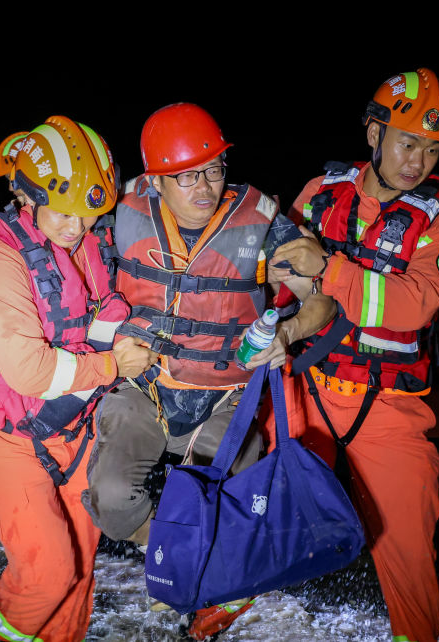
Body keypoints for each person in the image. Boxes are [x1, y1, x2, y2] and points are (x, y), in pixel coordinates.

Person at [85, 102, 335, 640]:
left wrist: (288, 331)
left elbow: (323, 301)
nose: (205, 186)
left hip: (226, 397)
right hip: (145, 389)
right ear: (155, 180)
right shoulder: (120, 211)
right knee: (109, 499)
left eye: (214, 169)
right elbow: (65, 255)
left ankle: (221, 587)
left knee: (231, 511)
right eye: (187, 176)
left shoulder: (260, 219)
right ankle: (174, 552)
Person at [0, 116, 157, 642]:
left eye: (88, 215)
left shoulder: (82, 239)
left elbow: (108, 306)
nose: (78, 228)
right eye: (65, 213)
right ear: (28, 199)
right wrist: (114, 364)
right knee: (49, 573)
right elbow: (30, 370)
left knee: (79, 574)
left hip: (76, 432)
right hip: (6, 438)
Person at [271, 68, 439, 642]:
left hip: (386, 408)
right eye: (408, 142)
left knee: (406, 543)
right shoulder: (320, 192)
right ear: (373, 133)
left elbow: (411, 305)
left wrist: (327, 269)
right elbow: (280, 278)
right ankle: (214, 614)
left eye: (432, 149)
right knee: (263, 511)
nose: (418, 162)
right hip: (306, 388)